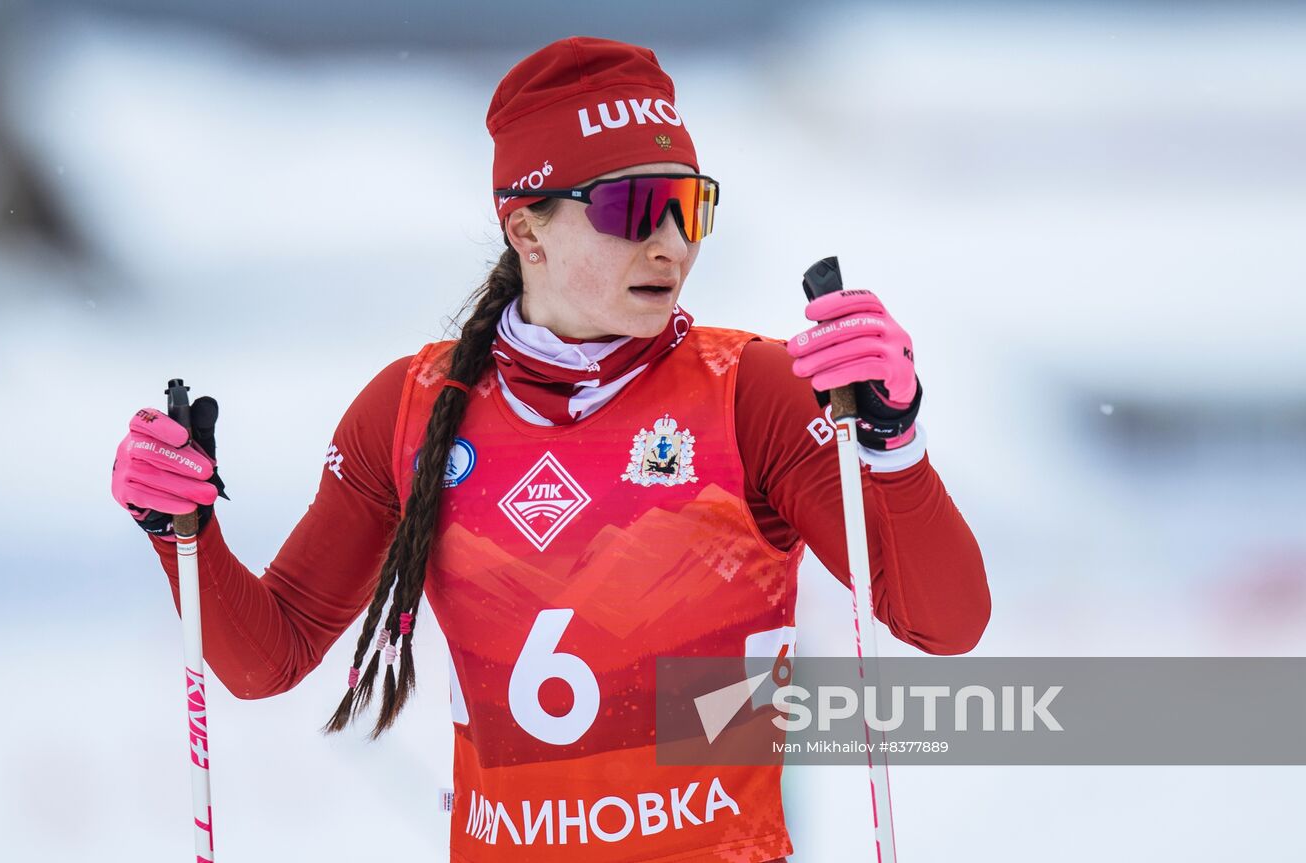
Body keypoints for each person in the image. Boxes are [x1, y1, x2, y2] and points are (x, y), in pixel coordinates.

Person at [111, 36, 989, 863]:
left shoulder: (747, 390)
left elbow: (946, 621)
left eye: (689, 206)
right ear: (527, 229)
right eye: (633, 208)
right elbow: (270, 656)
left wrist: (894, 446)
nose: (671, 244)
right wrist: (178, 527)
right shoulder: (412, 409)